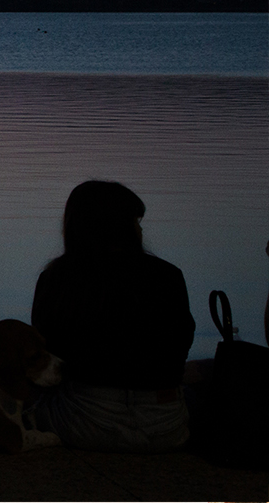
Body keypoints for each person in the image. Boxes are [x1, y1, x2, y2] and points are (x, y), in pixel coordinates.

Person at [29, 180, 193, 451]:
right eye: (136, 221)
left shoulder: (57, 279)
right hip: (166, 426)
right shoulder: (168, 276)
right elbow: (180, 344)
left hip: (85, 422)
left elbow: (50, 356)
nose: (140, 229)